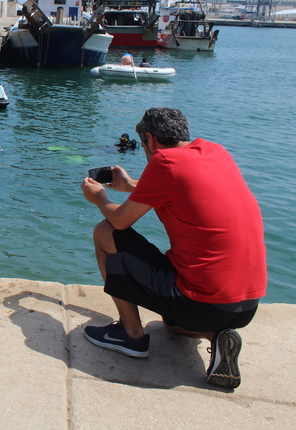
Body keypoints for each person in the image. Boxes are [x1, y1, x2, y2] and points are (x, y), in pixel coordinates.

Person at [79, 107, 266, 389]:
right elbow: (185, 186)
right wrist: (131, 186)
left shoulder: (164, 161)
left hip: (200, 302)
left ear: (150, 140)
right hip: (246, 306)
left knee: (104, 232)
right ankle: (217, 336)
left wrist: (100, 197)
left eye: (144, 145)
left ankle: (131, 336)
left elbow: (119, 221)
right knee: (170, 324)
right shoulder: (215, 151)